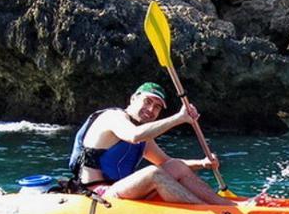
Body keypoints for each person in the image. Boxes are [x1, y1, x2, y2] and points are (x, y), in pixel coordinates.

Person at [69, 82, 237, 206]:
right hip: (97, 191)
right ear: (133, 98)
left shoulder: (143, 134)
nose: (151, 110)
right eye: (147, 102)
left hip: (123, 189)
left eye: (157, 107)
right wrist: (179, 118)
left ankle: (227, 205)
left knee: (176, 166)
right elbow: (134, 136)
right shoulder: (113, 117)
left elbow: (165, 162)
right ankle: (206, 211)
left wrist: (202, 163)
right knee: (152, 174)